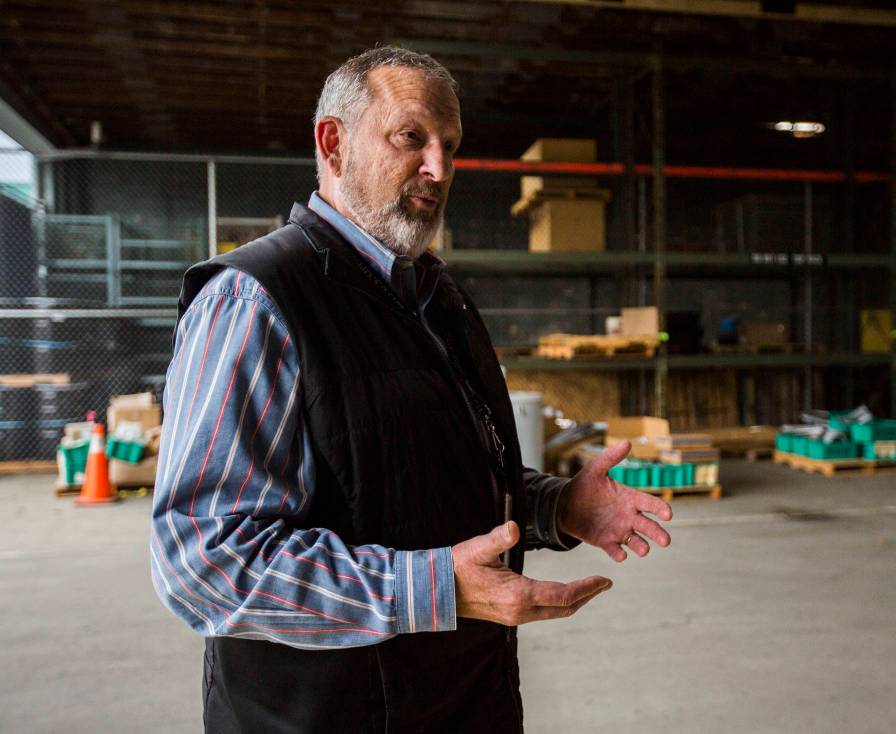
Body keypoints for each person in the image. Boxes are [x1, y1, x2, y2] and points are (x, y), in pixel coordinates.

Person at [151, 46, 672, 734]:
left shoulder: (435, 296)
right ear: (333, 143)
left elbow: (429, 479)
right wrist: (430, 589)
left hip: (461, 703)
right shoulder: (256, 299)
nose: (440, 168)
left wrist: (555, 507)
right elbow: (205, 560)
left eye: (450, 147)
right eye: (411, 138)